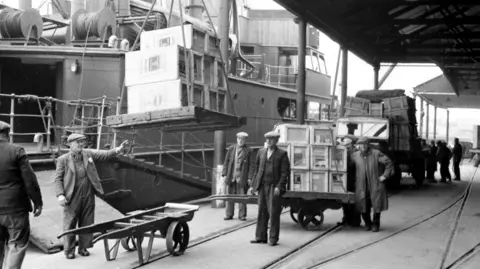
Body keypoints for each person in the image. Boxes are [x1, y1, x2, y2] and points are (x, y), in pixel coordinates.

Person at [54, 133, 129, 259]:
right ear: (70, 144)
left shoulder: (88, 153)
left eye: (82, 142)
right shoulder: (63, 160)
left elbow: (103, 154)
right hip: (72, 195)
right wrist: (60, 195)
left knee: (87, 221)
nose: (81, 145)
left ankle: (83, 248)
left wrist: (118, 149)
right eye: (78, 142)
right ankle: (69, 250)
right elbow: (58, 179)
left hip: (88, 193)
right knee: (70, 222)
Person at [0, 121, 43, 269]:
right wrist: (38, 202)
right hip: (15, 208)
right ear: (7, 134)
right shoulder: (16, 151)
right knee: (17, 244)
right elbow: (30, 180)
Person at [249, 131, 290, 246]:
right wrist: (253, 185)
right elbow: (256, 170)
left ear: (276, 141)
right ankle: (260, 237)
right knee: (261, 212)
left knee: (273, 213)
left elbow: (285, 173)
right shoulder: (261, 152)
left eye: (271, 139)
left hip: (273, 187)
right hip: (262, 186)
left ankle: (273, 239)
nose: (268, 141)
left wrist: (279, 186)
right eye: (267, 139)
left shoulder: (282, 154)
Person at [351, 137, 394, 232]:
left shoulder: (376, 154)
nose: (363, 146)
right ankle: (367, 223)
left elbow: (389, 163)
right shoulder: (355, 155)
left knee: (376, 205)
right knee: (363, 204)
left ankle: (375, 224)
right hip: (361, 185)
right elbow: (348, 164)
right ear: (358, 145)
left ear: (368, 144)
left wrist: (385, 176)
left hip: (375, 184)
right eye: (361, 144)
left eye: (365, 144)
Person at [222, 132, 254, 221]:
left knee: (242, 197)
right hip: (231, 177)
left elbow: (252, 165)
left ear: (245, 140)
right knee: (229, 197)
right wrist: (224, 174)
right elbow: (226, 162)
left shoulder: (249, 150)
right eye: (239, 139)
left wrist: (250, 177)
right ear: (237, 139)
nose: (240, 141)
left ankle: (242, 215)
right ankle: (229, 214)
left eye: (242, 139)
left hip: (242, 177)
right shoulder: (231, 149)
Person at [338, 135, 361, 227]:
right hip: (346, 180)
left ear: (351, 144)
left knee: (354, 201)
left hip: (354, 180)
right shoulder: (344, 152)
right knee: (344, 200)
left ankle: (355, 221)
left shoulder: (356, 153)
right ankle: (346, 218)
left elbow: (353, 165)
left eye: (347, 145)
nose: (346, 147)